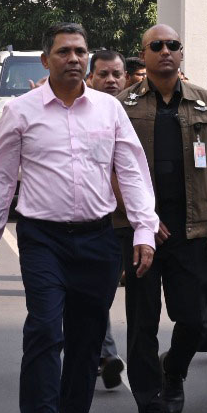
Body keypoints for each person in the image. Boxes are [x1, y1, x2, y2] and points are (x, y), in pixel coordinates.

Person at [0, 23, 157, 413]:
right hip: (42, 238)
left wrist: (143, 230)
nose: (74, 59)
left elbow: (131, 171)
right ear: (46, 59)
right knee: (44, 329)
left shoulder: (109, 110)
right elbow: (0, 177)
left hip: (97, 238)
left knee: (86, 336)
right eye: (64, 52)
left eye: (80, 51)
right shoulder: (21, 111)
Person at [121, 25, 207, 413]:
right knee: (143, 324)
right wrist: (142, 218)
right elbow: (112, 167)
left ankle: (175, 371)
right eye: (157, 46)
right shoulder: (123, 105)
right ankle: (150, 412)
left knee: (196, 320)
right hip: (141, 234)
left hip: (194, 230)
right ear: (143, 54)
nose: (166, 52)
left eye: (173, 46)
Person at [85, 49, 131, 390]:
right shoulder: (76, 113)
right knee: (97, 295)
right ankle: (106, 355)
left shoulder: (138, 111)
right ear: (90, 78)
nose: (111, 81)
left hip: (141, 223)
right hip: (98, 223)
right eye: (103, 74)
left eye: (117, 74)